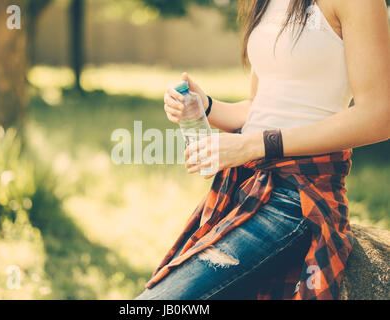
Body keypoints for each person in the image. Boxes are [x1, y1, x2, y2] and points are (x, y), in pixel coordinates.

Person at [136, 0, 389, 300]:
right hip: (250, 186)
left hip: (299, 196)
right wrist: (206, 105)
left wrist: (254, 145)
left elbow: (379, 115)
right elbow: (259, 106)